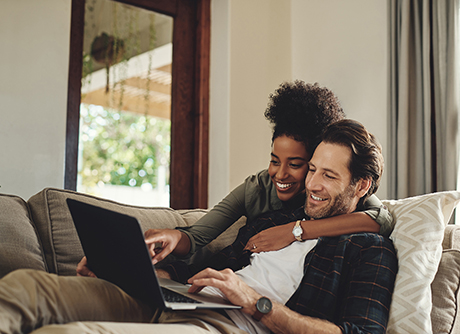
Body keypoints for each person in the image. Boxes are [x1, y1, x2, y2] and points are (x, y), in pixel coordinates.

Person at [0, 119, 397, 334]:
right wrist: (132, 271)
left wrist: (253, 301)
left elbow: (358, 332)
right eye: (312, 169)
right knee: (25, 286)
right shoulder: (273, 218)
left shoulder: (368, 249)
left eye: (328, 175)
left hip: (229, 323)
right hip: (181, 300)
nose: (310, 184)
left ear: (361, 185)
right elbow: (201, 263)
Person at [142, 81, 393, 266]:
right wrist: (174, 236)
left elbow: (381, 219)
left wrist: (294, 230)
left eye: (296, 164)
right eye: (274, 161)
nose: (280, 174)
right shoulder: (257, 188)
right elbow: (196, 238)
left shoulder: (337, 194)